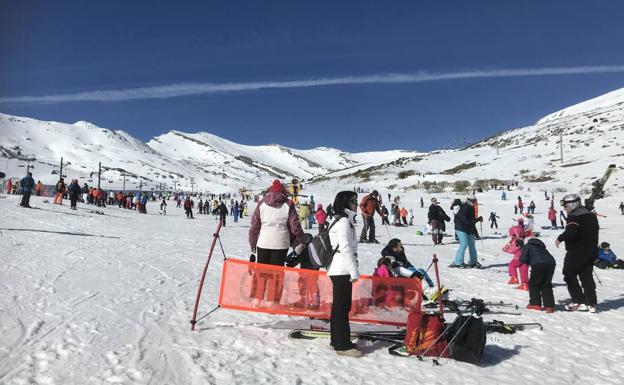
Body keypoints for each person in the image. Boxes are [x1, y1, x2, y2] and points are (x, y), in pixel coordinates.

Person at [248, 180, 307, 306]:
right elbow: (295, 226)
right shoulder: (288, 204)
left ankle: (256, 299)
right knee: (277, 273)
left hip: (263, 242)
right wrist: (302, 240)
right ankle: (272, 301)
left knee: (261, 271)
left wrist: (252, 243)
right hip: (281, 243)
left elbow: (254, 225)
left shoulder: (262, 203)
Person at [327, 190, 362, 357]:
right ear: (345, 203)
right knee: (342, 307)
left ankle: (337, 340)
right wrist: (353, 272)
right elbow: (345, 248)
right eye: (353, 201)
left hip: (339, 268)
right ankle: (342, 345)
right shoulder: (343, 223)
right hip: (342, 269)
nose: (356, 204)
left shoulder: (341, 220)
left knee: (339, 307)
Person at [555, 194, 599, 313]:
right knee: (586, 276)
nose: (565, 209)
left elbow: (571, 233)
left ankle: (579, 301)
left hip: (577, 251)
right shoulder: (591, 215)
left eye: (566, 206)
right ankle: (592, 304)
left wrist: (560, 238)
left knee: (569, 273)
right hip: (592, 251)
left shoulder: (574, 216)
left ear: (572, 205)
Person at [381, 238, 446, 301]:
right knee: (417, 274)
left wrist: (415, 272)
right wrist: (413, 274)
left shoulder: (399, 254)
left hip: (403, 276)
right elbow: (398, 269)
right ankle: (428, 292)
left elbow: (407, 264)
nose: (402, 248)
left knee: (421, 271)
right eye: (400, 246)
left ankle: (431, 290)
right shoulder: (390, 257)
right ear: (394, 248)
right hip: (396, 280)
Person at [520, 237, 556, 313]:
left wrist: (522, 250)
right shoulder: (542, 248)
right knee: (546, 284)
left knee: (533, 284)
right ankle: (549, 306)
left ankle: (535, 303)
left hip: (539, 264)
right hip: (551, 264)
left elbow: (522, 259)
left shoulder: (528, 246)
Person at [450, 195, 483, 268]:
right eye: (474, 201)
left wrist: (476, 222)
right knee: (464, 244)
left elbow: (470, 221)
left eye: (476, 201)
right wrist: (477, 220)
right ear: (470, 200)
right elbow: (466, 221)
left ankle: (473, 262)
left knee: (472, 245)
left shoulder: (471, 207)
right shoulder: (465, 207)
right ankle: (458, 262)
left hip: (468, 228)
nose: (475, 202)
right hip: (461, 228)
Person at [503, 220, 528, 290]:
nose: (511, 236)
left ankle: (514, 278)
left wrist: (506, 249)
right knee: (523, 270)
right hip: (526, 259)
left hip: (518, 258)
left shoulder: (517, 241)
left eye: (511, 235)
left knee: (511, 265)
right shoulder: (522, 239)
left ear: (514, 234)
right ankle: (525, 284)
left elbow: (512, 249)